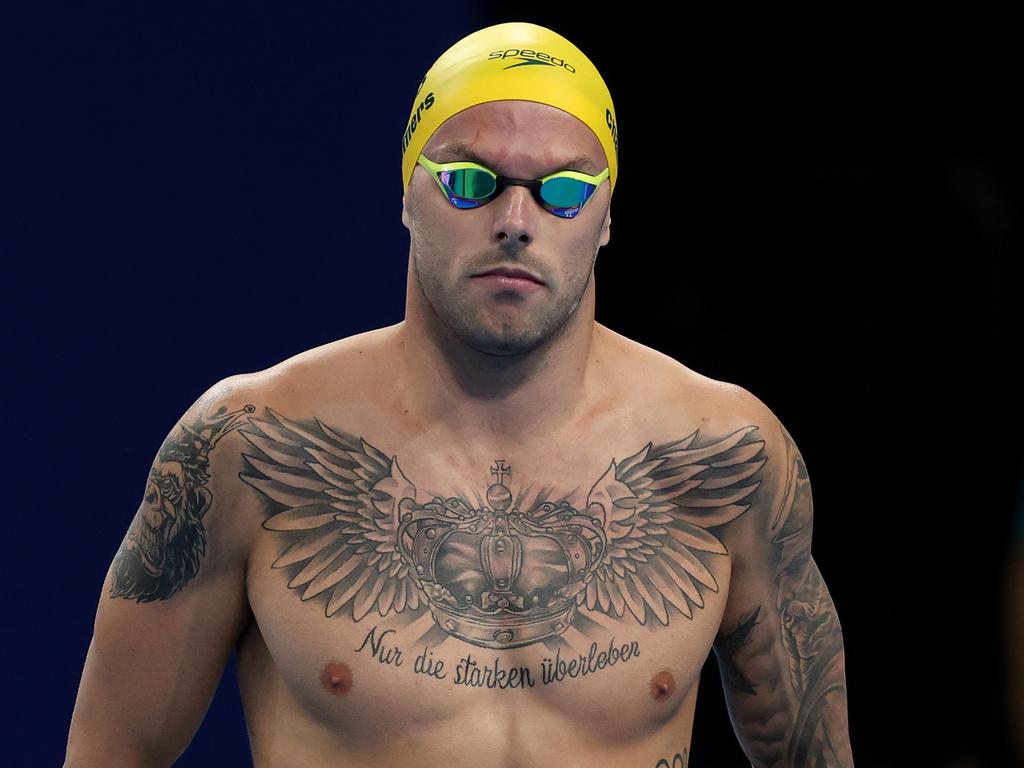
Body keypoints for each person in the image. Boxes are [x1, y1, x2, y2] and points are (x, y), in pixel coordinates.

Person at [64, 21, 854, 767]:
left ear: (607, 216)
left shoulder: (729, 455)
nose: (516, 220)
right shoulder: (246, 443)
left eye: (564, 190)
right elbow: (110, 753)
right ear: (408, 194)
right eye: (472, 181)